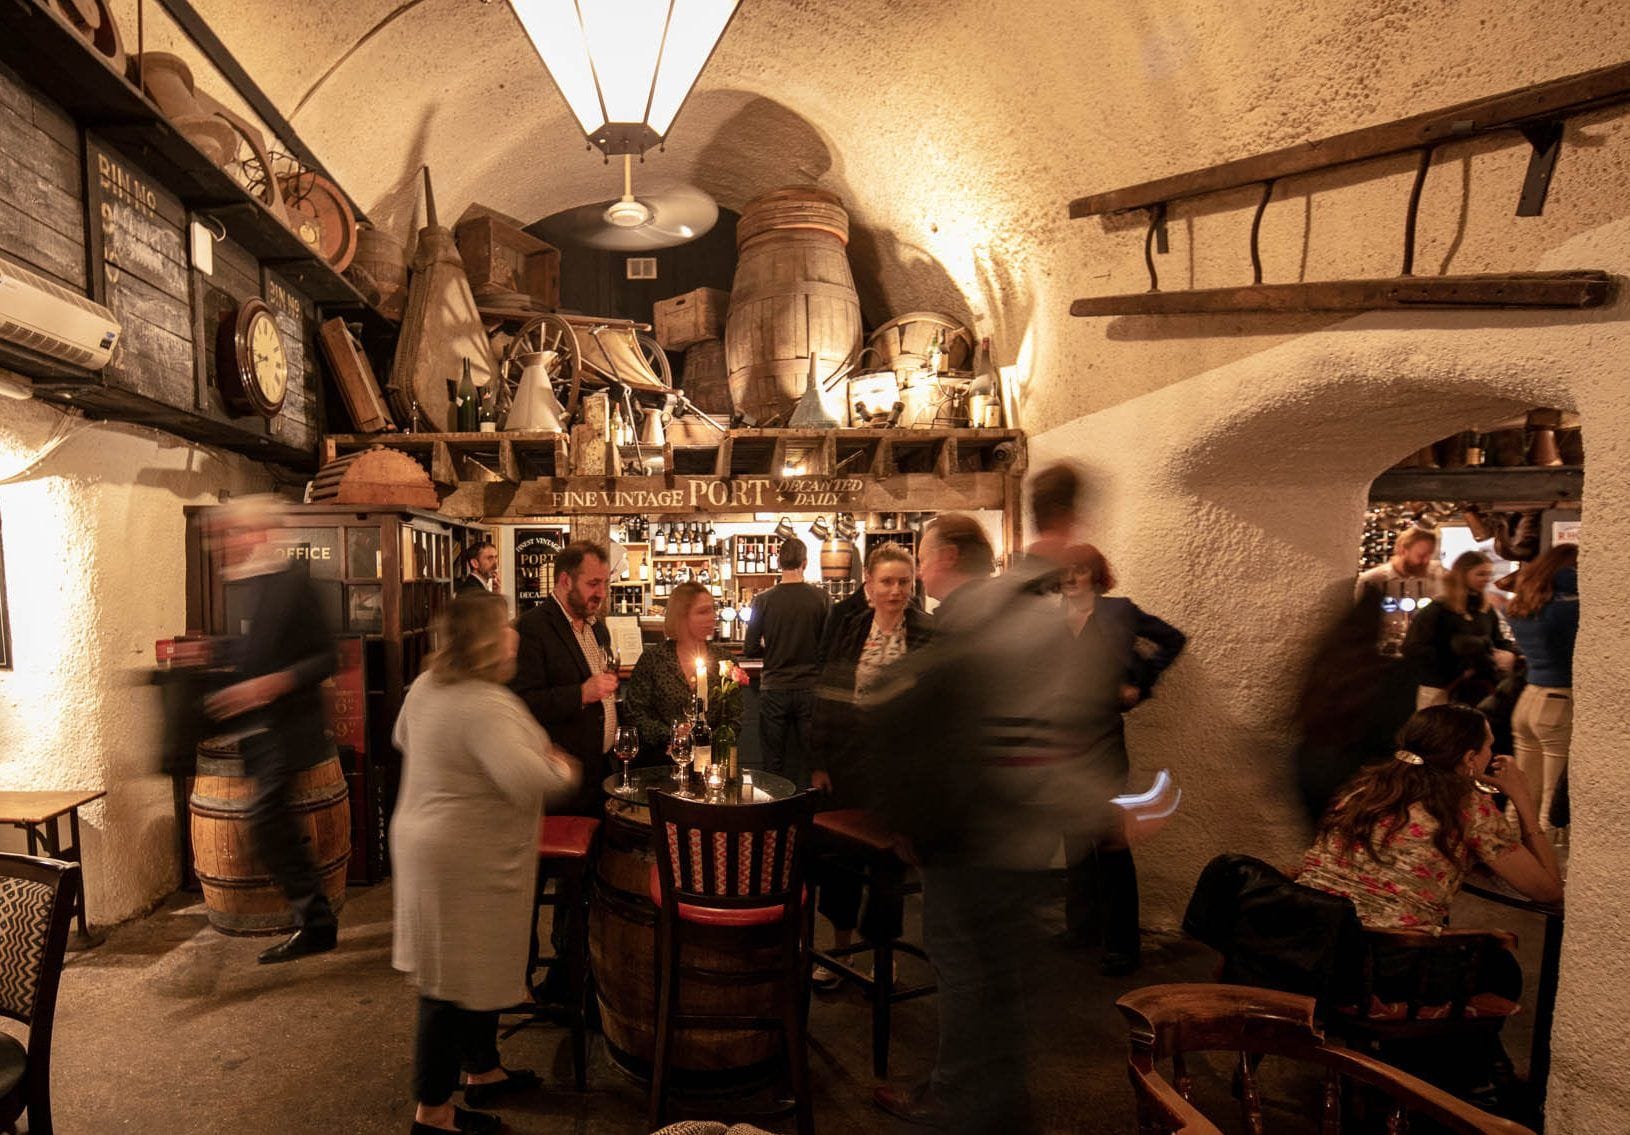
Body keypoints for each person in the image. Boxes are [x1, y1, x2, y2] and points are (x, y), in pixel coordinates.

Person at [1297, 705, 1562, 1097]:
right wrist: (1522, 798)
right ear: (1470, 759)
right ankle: (1451, 1081)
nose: (1492, 756)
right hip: (1381, 965)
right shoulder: (1467, 808)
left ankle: (1441, 1068)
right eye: (1488, 748)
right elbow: (1549, 891)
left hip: (1314, 948)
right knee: (1499, 968)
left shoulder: (1365, 787)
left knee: (1454, 948)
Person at [391, 593, 578, 1135]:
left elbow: (402, 736)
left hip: (436, 848)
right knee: (448, 983)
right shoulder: (485, 703)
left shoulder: (427, 687)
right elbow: (531, 777)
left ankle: (483, 1070)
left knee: (469, 968)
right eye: (507, 625)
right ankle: (434, 1114)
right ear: (487, 639)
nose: (516, 633)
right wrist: (561, 765)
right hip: (460, 858)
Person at [202, 496, 341, 965]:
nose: (227, 543)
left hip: (289, 724)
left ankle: (316, 922)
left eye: (235, 533)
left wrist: (272, 683)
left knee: (266, 820)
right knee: (267, 823)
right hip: (263, 727)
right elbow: (257, 651)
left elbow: (327, 657)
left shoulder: (292, 583)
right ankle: (315, 918)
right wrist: (215, 656)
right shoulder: (249, 583)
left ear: (258, 533)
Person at [1056, 544, 1186, 975]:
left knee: (1111, 843)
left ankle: (1123, 945)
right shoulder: (1052, 618)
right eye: (1066, 571)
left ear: (1096, 575)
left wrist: (1139, 683)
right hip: (1061, 740)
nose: (1072, 577)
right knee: (1074, 841)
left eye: (1081, 570)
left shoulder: (1117, 612)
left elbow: (1172, 638)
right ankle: (1082, 929)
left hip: (1102, 738)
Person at [808, 543, 933, 989]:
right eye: (887, 581)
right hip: (846, 760)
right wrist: (819, 760)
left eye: (904, 581)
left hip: (900, 768)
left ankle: (882, 955)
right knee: (839, 862)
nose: (896, 590)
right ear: (869, 587)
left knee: (887, 866)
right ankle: (839, 950)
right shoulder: (850, 627)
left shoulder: (928, 633)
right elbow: (828, 691)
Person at [511, 541, 618, 815]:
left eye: (605, 584)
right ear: (565, 580)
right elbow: (523, 702)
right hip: (563, 775)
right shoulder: (533, 627)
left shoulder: (597, 627)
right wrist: (581, 694)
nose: (601, 593)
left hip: (601, 768)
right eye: (593, 583)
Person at [742, 537, 830, 785]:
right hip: (810, 689)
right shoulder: (821, 599)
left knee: (773, 763)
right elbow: (828, 647)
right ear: (805, 562)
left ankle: (774, 819)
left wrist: (772, 652)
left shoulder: (763, 600)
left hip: (775, 688)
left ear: (778, 562)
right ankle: (812, 818)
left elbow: (749, 648)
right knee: (813, 763)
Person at [1504, 543, 1579, 832]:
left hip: (1529, 698)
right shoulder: (1568, 609)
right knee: (1552, 797)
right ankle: (1548, 868)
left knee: (1523, 794)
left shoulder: (1526, 605)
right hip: (1558, 701)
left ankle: (1510, 854)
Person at [624, 581, 729, 764]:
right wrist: (672, 734)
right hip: (660, 761)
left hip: (711, 763)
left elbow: (732, 719)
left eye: (713, 610)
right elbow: (634, 714)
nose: (713, 617)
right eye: (703, 611)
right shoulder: (654, 659)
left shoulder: (724, 661)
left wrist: (708, 739)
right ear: (681, 616)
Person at [1402, 550, 1518, 709]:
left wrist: (1509, 654)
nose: (1486, 579)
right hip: (1440, 689)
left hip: (1476, 691)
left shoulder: (1485, 610)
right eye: (1481, 574)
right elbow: (1414, 648)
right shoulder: (1438, 610)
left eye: (1489, 574)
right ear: (1463, 574)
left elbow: (1498, 641)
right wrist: (1455, 668)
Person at [1355, 525, 1442, 601]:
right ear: (1403, 551)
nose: (1426, 561)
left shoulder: (1439, 576)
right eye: (1421, 556)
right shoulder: (1371, 581)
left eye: (1429, 555)